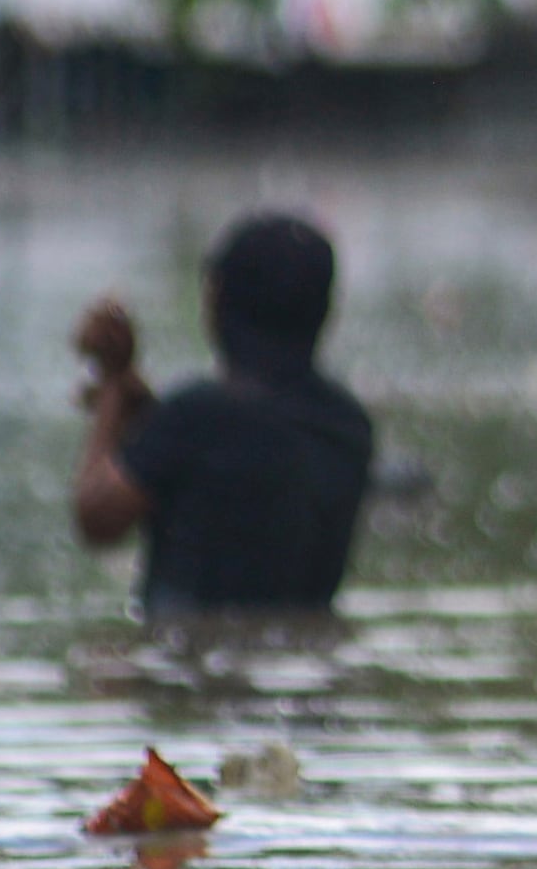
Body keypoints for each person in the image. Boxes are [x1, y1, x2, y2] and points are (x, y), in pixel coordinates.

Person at [72, 212, 375, 615]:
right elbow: (246, 448)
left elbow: (96, 518)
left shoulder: (195, 416)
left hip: (186, 657)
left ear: (218, 302)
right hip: (303, 648)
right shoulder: (349, 424)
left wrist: (112, 383)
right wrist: (138, 400)